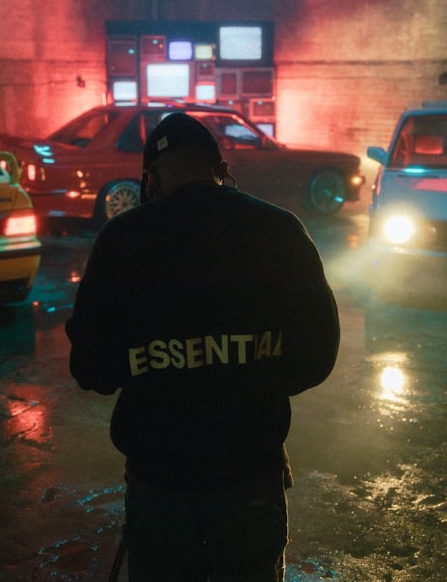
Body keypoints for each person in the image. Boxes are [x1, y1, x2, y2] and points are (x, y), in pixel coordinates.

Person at [65, 111, 340, 581]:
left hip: (159, 481)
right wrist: (254, 377)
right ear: (220, 167)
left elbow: (91, 367)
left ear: (150, 178)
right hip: (249, 474)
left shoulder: (122, 240)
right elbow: (316, 353)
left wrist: (154, 366)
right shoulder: (278, 231)